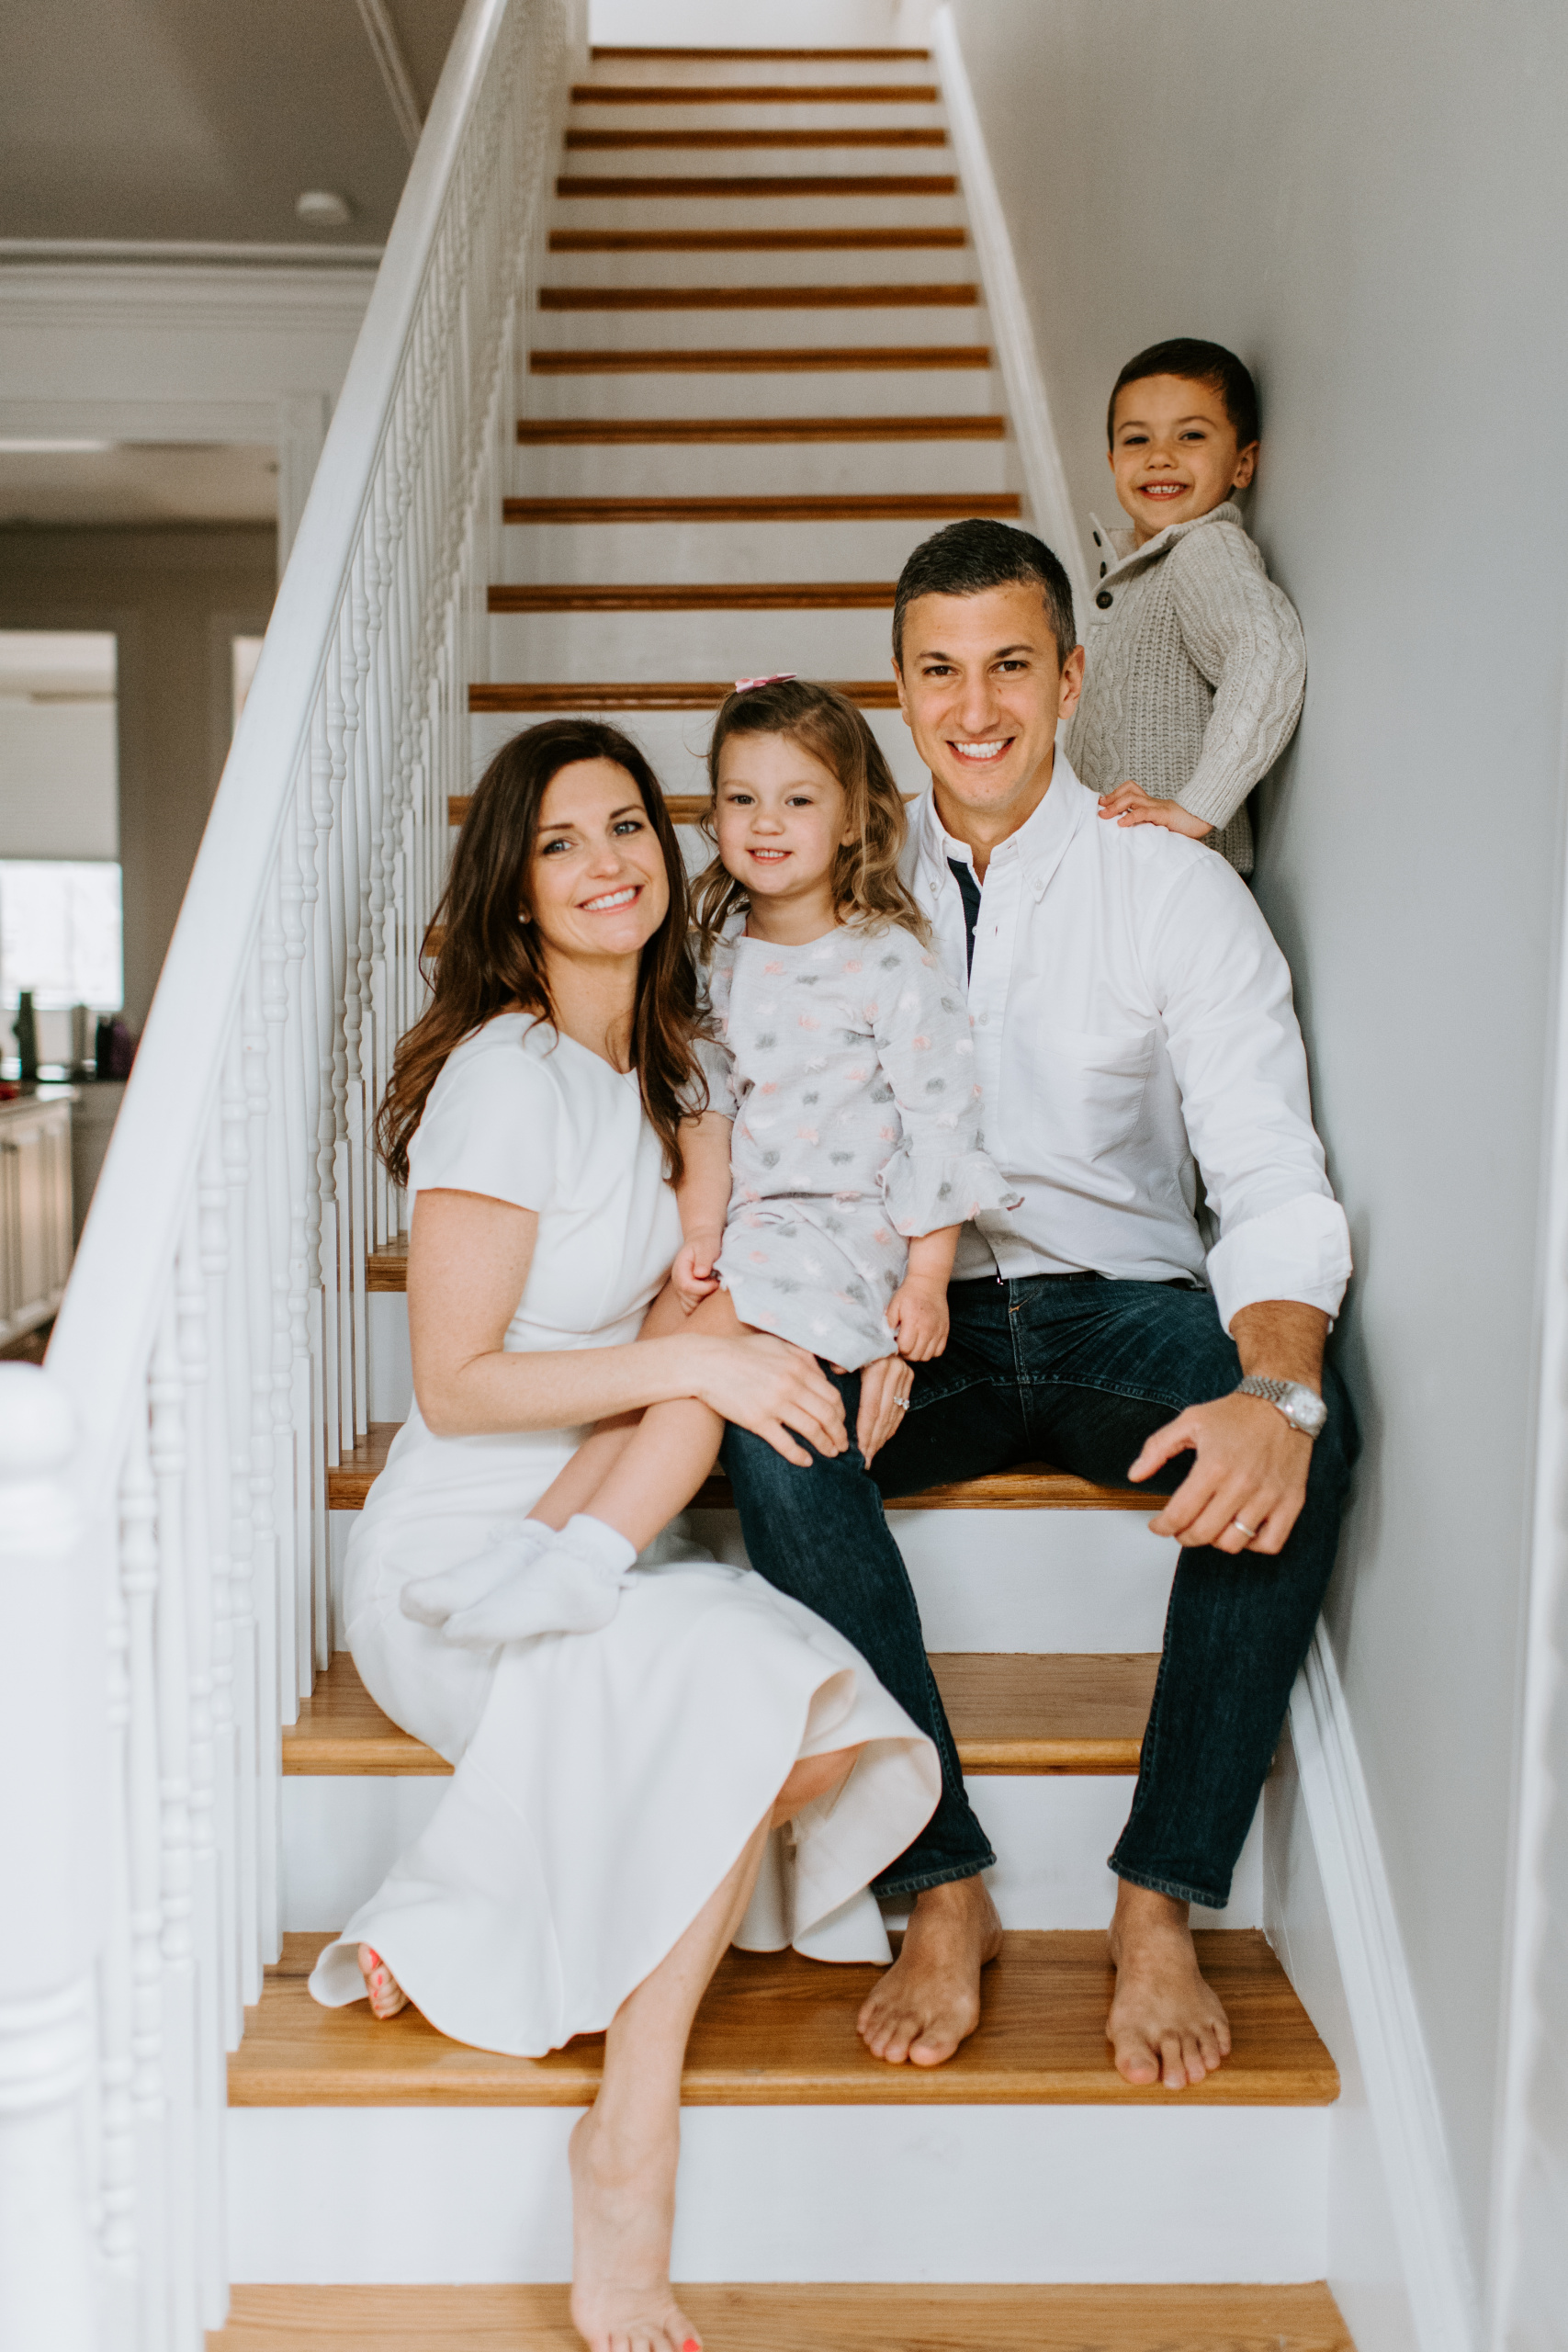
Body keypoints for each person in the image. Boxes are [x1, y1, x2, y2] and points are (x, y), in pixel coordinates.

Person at [306, 718, 940, 2352]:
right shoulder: (501, 1083)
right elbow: (452, 1386)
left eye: (630, 828)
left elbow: (683, 1320)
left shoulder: (662, 1068)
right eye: (563, 842)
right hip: (457, 1558)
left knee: (808, 1717)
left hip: (591, 1526)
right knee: (749, 1704)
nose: (610, 863)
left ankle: (457, 1905)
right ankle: (628, 2137)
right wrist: (688, 1359)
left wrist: (719, 1342)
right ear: (513, 894)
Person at [722, 518, 1356, 2094]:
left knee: (1310, 1423)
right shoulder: (814, 886)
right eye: (937, 671)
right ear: (899, 688)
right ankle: (937, 1882)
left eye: (1009, 663)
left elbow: (1273, 1177)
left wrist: (1273, 1391)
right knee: (765, 1427)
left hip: (1113, 1311)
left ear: (1069, 679)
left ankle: (1159, 1899)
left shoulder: (1171, 888)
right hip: (897, 1325)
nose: (974, 704)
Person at [426, 677, 1020, 1614]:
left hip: (838, 1236)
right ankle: (530, 1546)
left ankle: (587, 1562)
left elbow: (941, 1127)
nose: (766, 822)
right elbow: (710, 1104)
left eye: (797, 799)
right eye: (741, 799)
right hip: (752, 1230)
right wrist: (701, 1231)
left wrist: (925, 1280)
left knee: (695, 1381)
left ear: (855, 819)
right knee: (658, 1357)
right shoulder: (719, 952)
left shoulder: (889, 963)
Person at [1066, 336, 1307, 876]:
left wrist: (1198, 805)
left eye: (1191, 435)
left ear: (1243, 464)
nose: (1159, 457)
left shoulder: (1203, 550)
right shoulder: (1142, 572)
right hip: (1132, 875)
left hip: (1176, 880)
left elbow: (1266, 655)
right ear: (1112, 461)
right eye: (1136, 440)